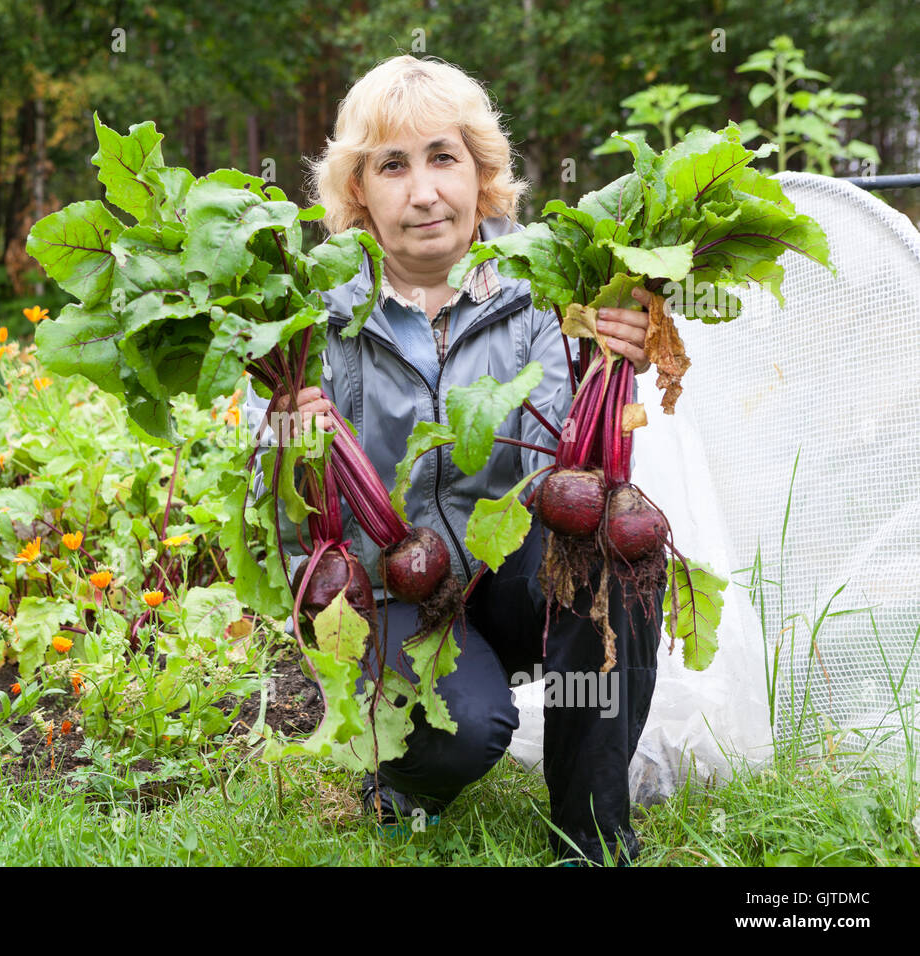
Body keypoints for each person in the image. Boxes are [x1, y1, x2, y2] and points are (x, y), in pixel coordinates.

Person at [246, 54, 664, 865]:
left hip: (515, 573)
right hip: (391, 584)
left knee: (616, 554)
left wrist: (618, 356)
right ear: (358, 188)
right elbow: (284, 514)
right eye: (392, 166)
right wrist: (291, 442)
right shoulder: (306, 318)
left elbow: (578, 477)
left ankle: (592, 835)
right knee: (464, 732)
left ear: (481, 173)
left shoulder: (548, 286)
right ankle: (403, 778)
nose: (424, 191)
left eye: (444, 158)